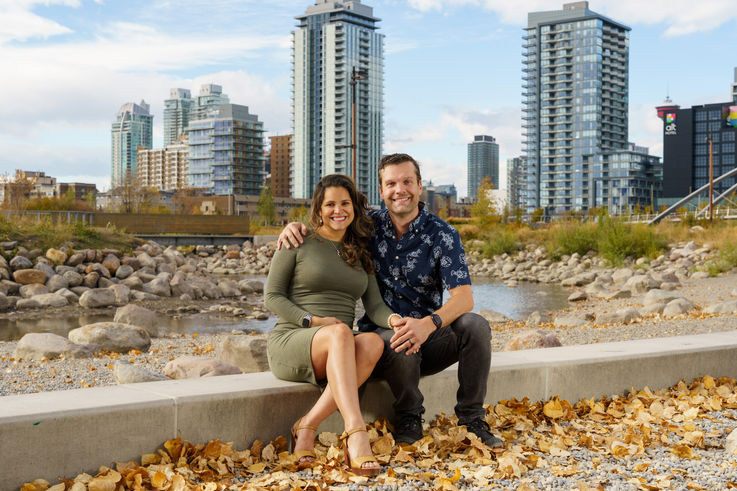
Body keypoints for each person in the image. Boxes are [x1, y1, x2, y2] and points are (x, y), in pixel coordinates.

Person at [278, 153, 503, 449]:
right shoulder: (365, 227)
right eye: (391, 183)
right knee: (399, 339)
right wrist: (296, 226)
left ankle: (472, 419)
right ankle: (409, 418)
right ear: (381, 190)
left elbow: (464, 299)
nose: (400, 190)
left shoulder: (444, 235)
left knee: (475, 326)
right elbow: (331, 221)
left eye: (407, 182)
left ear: (419, 186)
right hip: (383, 341)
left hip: (430, 338)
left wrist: (428, 324)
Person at [265, 173, 402, 476]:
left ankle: (306, 425)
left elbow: (375, 306)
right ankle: (355, 432)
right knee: (342, 332)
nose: (338, 210)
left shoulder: (360, 252)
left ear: (354, 207)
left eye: (345, 203)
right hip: (294, 338)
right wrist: (312, 320)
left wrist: (395, 320)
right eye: (330, 204)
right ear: (318, 208)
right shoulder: (297, 241)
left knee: (373, 342)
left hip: (337, 342)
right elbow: (272, 297)